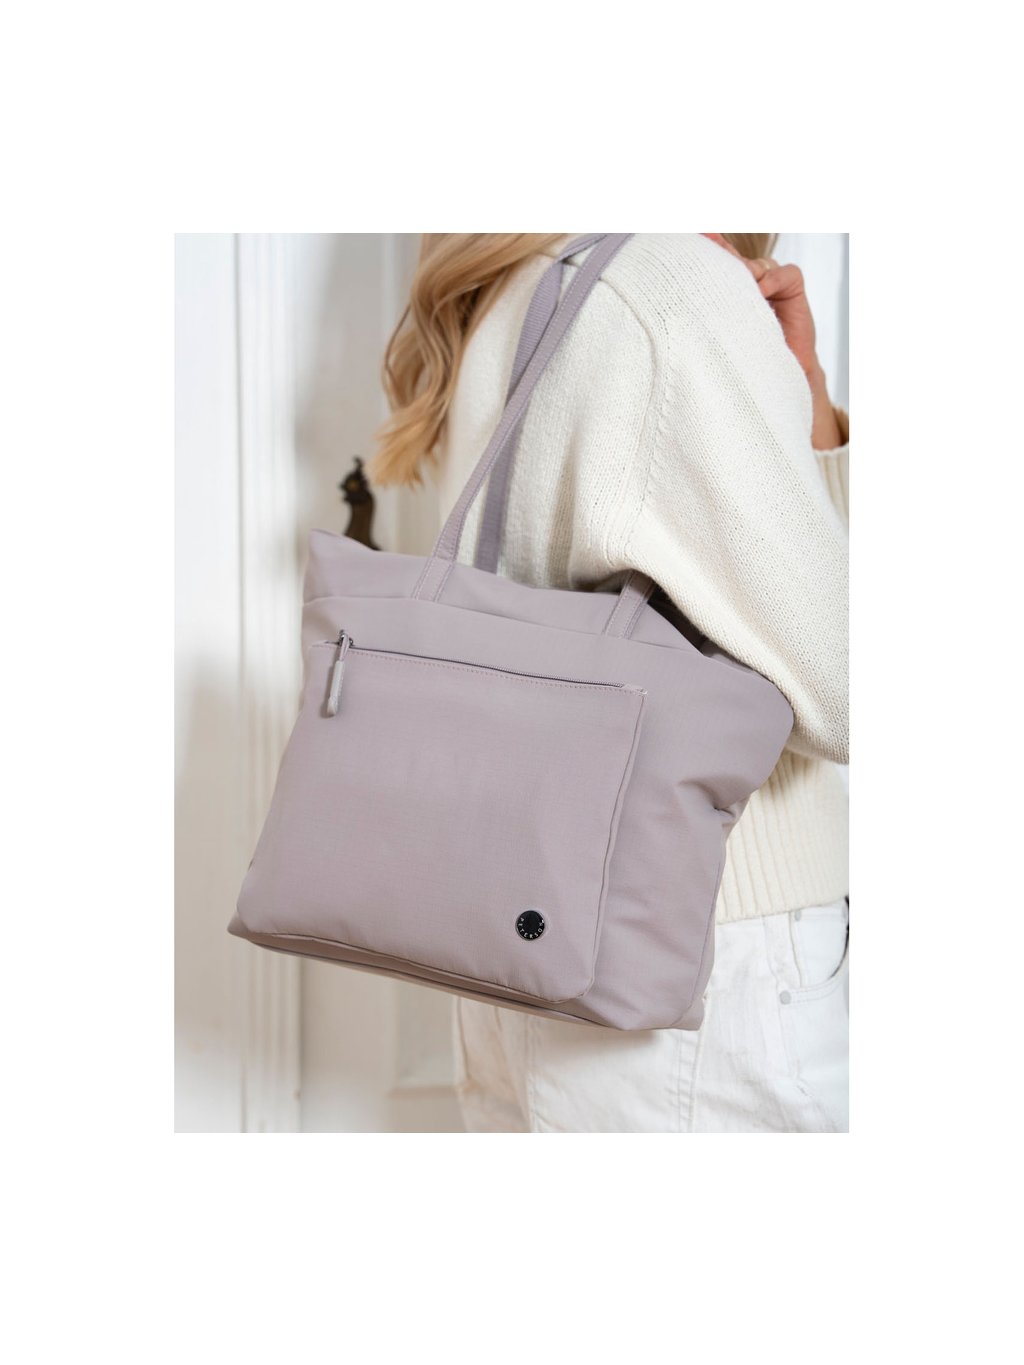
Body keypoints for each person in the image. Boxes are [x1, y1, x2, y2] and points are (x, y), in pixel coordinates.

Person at [369, 233, 849, 1133]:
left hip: (509, 949)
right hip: (699, 968)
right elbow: (846, 683)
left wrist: (806, 402)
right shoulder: (672, 287)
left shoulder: (515, 281)